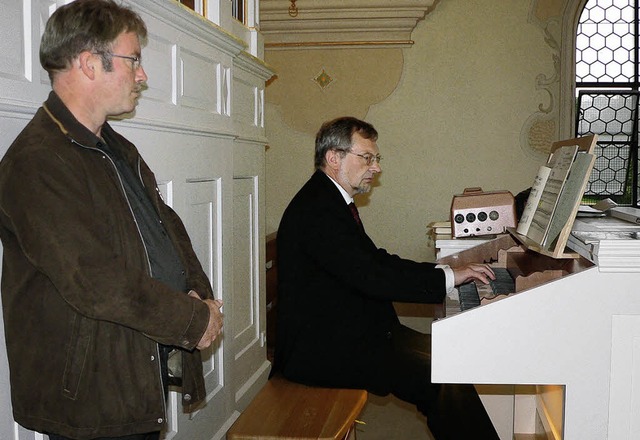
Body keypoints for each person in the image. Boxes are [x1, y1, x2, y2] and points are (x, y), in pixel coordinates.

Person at [0, 1, 223, 439]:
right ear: (87, 63)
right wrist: (193, 321)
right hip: (90, 396)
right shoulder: (37, 163)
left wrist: (200, 294)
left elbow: (166, 229)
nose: (142, 76)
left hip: (133, 367)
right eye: (133, 60)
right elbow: (95, 280)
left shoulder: (116, 148)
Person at [273, 116, 501, 439]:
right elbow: (373, 276)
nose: (376, 167)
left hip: (349, 332)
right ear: (334, 158)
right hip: (322, 350)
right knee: (445, 379)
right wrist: (447, 278)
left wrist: (447, 273)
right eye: (367, 157)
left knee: (450, 364)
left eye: (376, 158)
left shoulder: (328, 199)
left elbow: (375, 261)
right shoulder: (318, 210)